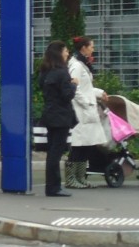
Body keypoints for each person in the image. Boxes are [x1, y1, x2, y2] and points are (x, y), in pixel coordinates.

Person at [66, 35, 109, 189]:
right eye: (91, 46)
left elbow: (86, 87)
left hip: (86, 108)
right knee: (78, 145)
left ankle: (80, 177)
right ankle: (71, 179)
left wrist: (99, 93)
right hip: (80, 110)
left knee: (87, 144)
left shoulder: (82, 64)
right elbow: (74, 88)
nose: (93, 49)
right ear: (83, 47)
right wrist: (86, 103)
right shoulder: (76, 66)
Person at [37, 40, 76, 197]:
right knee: (56, 153)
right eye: (66, 51)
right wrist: (73, 85)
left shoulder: (44, 72)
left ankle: (51, 186)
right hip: (61, 117)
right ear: (59, 53)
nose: (67, 54)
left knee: (52, 151)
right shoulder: (62, 73)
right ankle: (54, 188)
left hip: (50, 115)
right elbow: (67, 96)